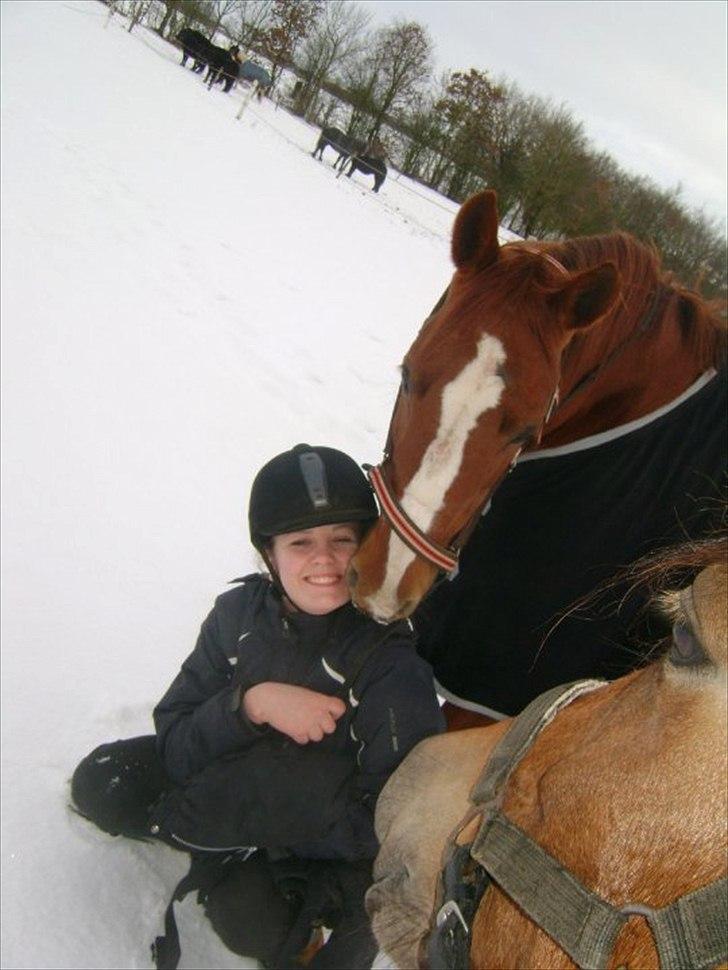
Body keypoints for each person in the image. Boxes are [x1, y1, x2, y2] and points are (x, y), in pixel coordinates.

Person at [71, 444, 445, 969]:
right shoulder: (236, 616)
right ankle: (206, 839)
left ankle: (303, 926)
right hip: (228, 784)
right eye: (300, 542)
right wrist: (250, 706)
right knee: (101, 781)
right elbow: (175, 736)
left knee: (246, 918)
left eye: (343, 539)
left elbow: (402, 820)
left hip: (320, 841)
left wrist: (268, 807)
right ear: (267, 553)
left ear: (367, 545)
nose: (324, 559)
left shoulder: (387, 661)